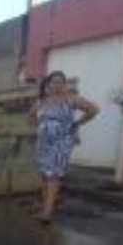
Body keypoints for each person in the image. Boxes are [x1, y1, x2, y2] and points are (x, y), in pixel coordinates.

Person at [28, 70, 100, 225]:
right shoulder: (42, 101)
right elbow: (32, 116)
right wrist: (40, 128)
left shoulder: (71, 99)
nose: (57, 85)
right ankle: (46, 205)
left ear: (65, 85)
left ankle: (47, 213)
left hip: (61, 142)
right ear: (48, 84)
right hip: (43, 143)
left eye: (60, 82)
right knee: (45, 174)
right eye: (54, 82)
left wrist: (77, 124)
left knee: (53, 175)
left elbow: (93, 109)